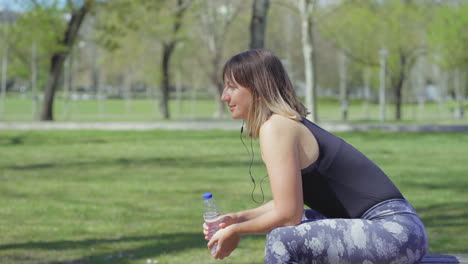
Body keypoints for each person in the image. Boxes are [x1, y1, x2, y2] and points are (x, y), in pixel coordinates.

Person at [203, 49, 428, 264]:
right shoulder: (281, 124)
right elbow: (289, 204)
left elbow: (288, 215)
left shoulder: (276, 128)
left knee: (282, 240)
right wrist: (237, 218)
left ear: (257, 89)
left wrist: (237, 231)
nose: (224, 96)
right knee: (298, 227)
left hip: (395, 232)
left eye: (232, 87)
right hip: (396, 230)